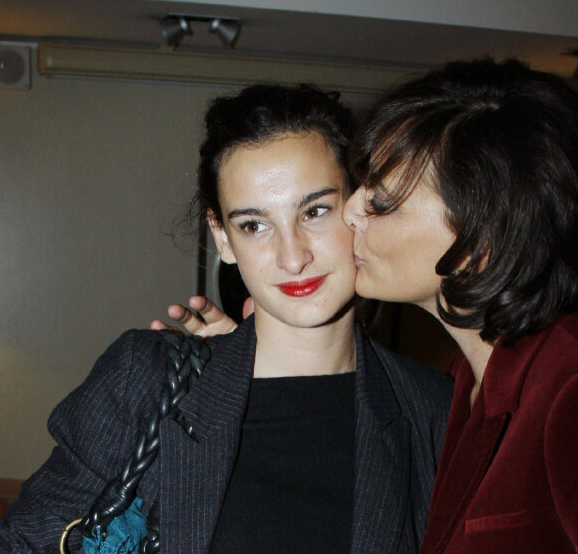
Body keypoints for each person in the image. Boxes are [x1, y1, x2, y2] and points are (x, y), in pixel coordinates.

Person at [0, 84, 452, 553]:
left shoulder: (435, 410)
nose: (292, 257)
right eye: (254, 225)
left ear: (359, 208)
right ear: (222, 238)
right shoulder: (147, 380)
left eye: (315, 211)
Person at [165, 58, 578, 553]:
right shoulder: (464, 386)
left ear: (479, 237)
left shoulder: (567, 384)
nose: (352, 210)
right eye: (361, 186)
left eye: (383, 203)